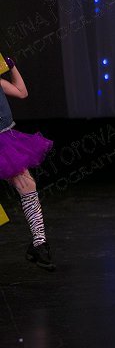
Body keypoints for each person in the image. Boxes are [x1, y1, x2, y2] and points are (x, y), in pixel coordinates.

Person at [0, 55, 56, 271]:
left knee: (27, 185)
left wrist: (12, 67)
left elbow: (21, 92)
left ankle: (39, 244)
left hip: (4, 139)